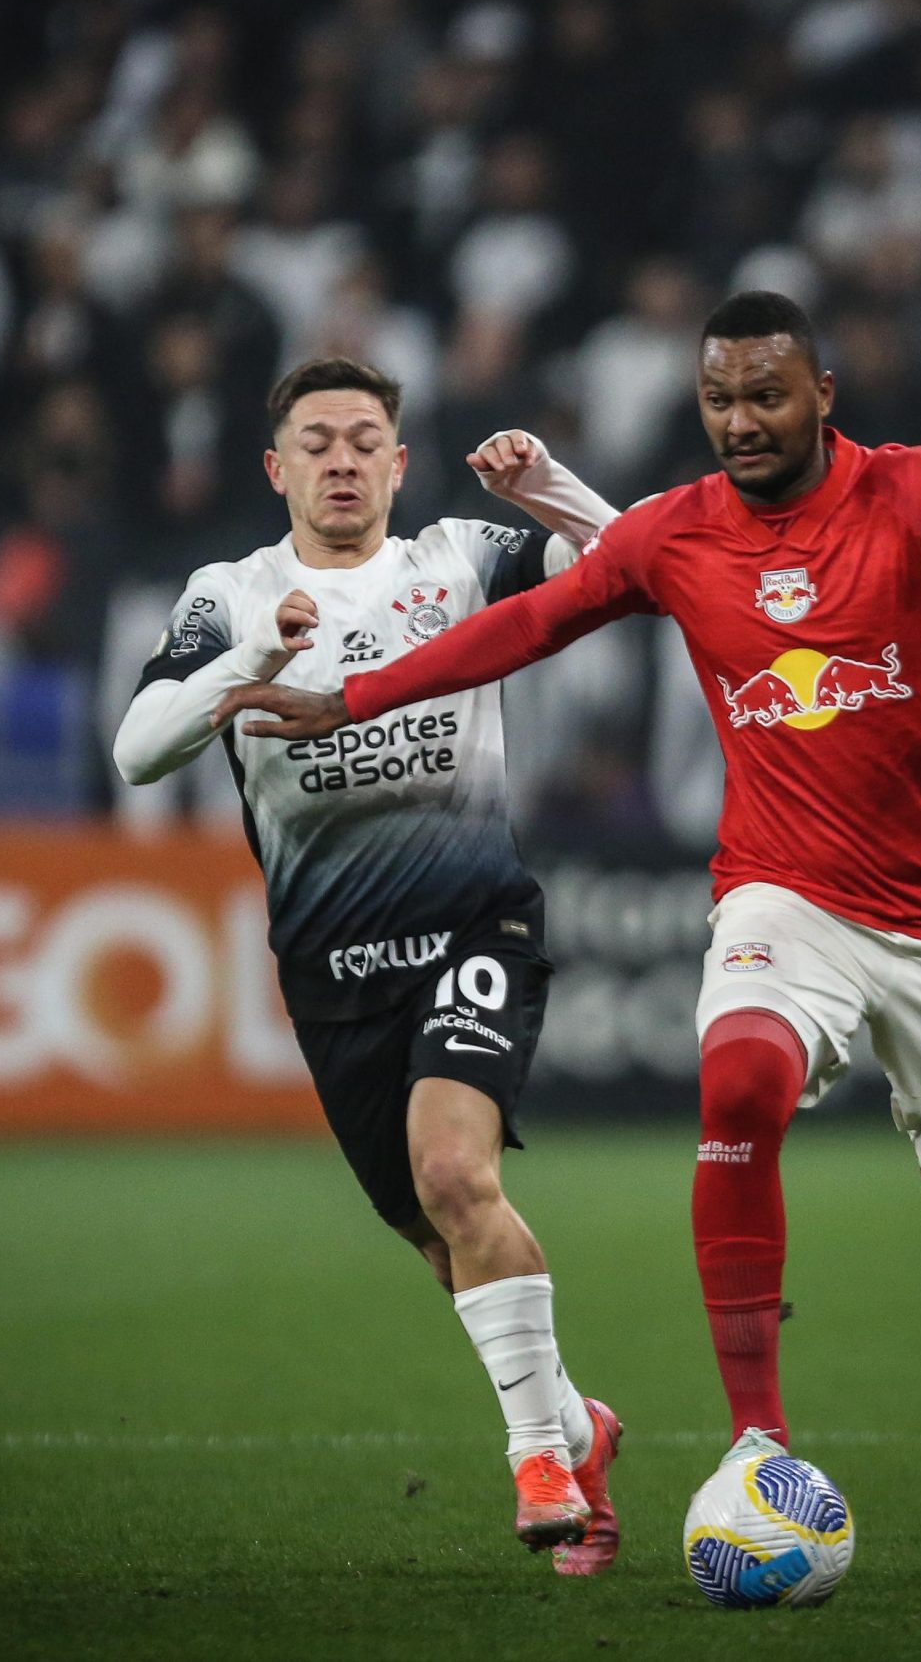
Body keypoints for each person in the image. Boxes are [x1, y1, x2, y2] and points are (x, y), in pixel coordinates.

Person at [219, 291, 921, 1588]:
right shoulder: (679, 532)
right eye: (719, 400)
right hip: (786, 894)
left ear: (823, 391)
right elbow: (522, 625)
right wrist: (352, 695)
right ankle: (757, 1440)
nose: (741, 421)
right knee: (740, 1077)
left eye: (767, 395)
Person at [110, 355, 626, 1568]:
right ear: (276, 467)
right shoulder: (230, 592)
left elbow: (634, 569)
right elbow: (137, 751)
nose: (341, 460)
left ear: (397, 464)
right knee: (445, 1237)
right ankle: (578, 1426)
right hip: (332, 973)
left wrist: (545, 483)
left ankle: (537, 1462)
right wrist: (252, 666)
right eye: (317, 441)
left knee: (455, 1173)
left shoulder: (458, 560)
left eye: (363, 440)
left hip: (474, 927)